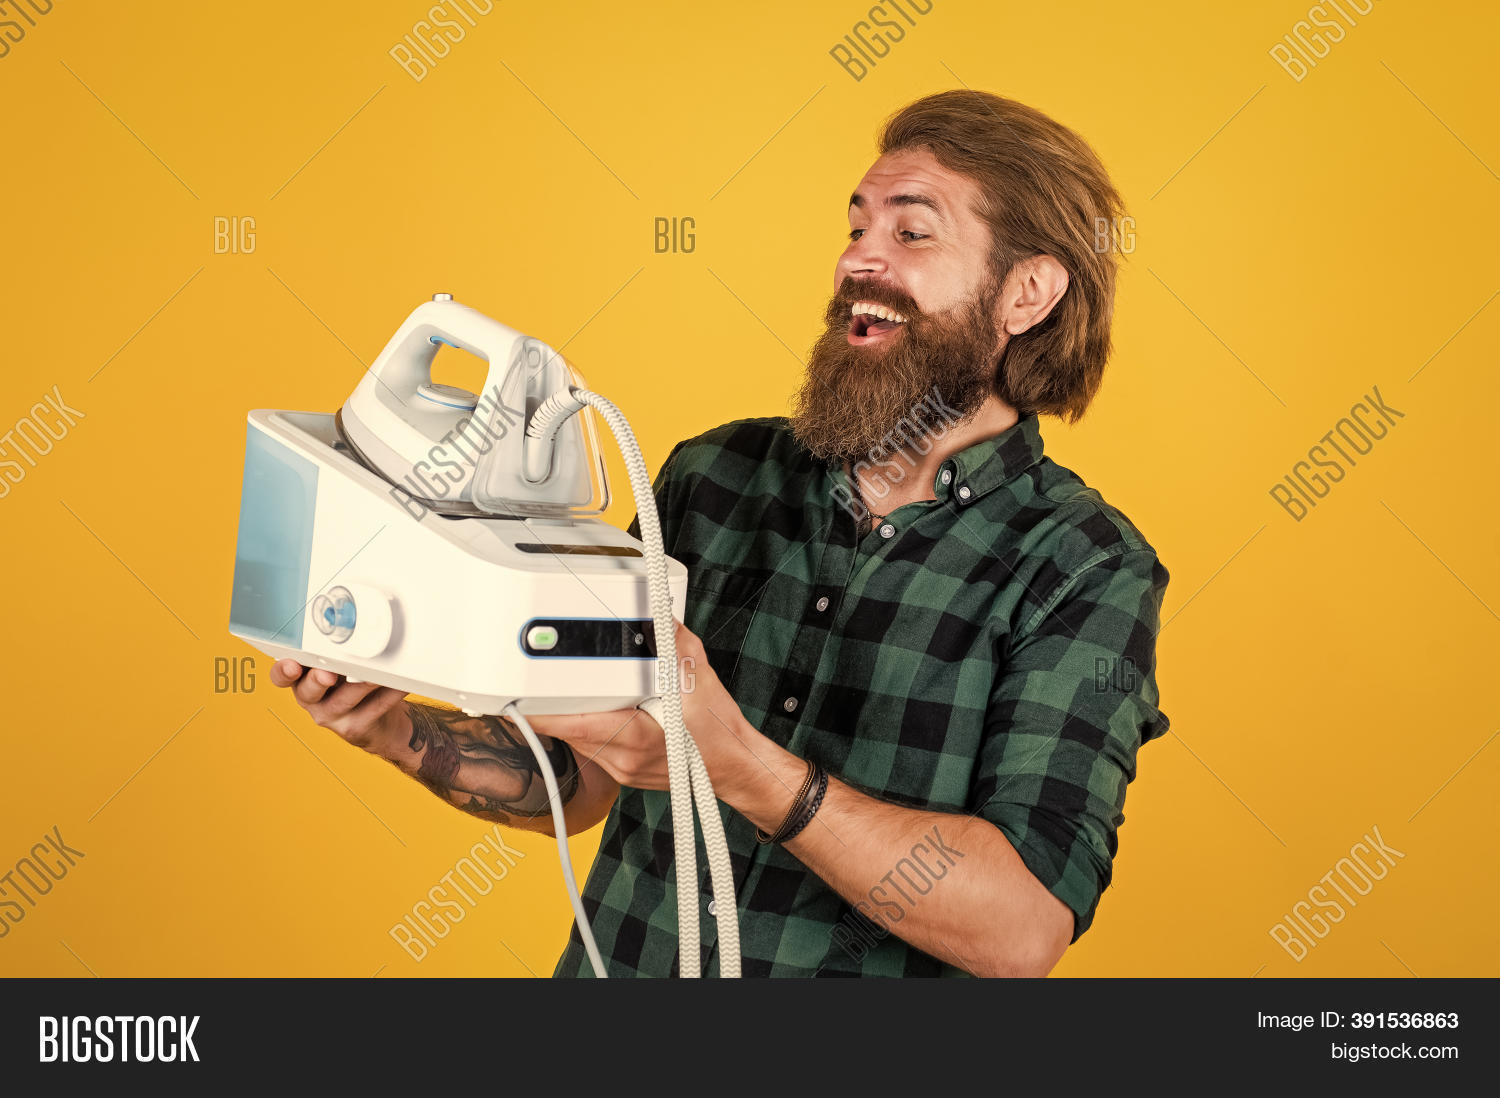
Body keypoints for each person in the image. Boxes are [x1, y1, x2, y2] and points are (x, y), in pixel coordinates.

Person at [271, 89, 1169, 978]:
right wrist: (394, 732)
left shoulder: (1084, 566)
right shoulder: (712, 476)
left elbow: (1021, 928)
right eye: (855, 228)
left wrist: (738, 764)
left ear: (1027, 292)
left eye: (911, 232)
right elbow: (577, 780)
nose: (860, 259)